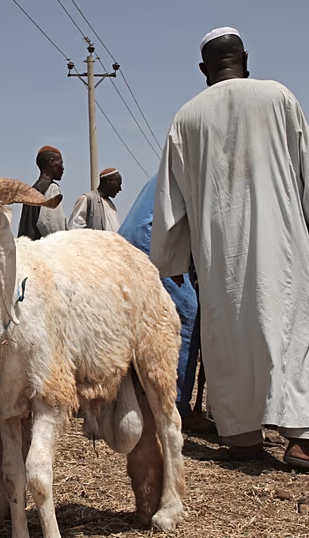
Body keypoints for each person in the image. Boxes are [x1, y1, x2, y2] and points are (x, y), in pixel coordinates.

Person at [151, 27, 309, 471]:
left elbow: (169, 200)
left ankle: (242, 438)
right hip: (284, 248)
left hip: (222, 259)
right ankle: (300, 440)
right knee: (291, 331)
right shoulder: (279, 97)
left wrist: (170, 259)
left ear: (204, 70)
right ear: (245, 59)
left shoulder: (186, 117)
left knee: (230, 335)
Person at [116, 175, 212, 431]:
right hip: (153, 240)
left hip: (132, 241)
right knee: (185, 315)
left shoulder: (170, 170)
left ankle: (135, 399)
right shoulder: (193, 171)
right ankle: (176, 403)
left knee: (142, 324)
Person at [17, 146, 67, 240]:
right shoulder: (52, 189)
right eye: (61, 163)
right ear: (51, 162)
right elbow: (54, 229)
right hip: (42, 251)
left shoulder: (32, 190)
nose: (63, 168)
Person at [68, 167, 123, 231]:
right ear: (110, 181)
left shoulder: (112, 206)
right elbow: (75, 229)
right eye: (119, 184)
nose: (120, 189)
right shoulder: (87, 199)